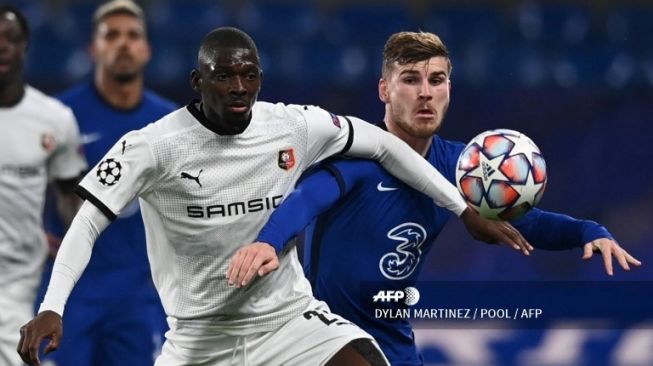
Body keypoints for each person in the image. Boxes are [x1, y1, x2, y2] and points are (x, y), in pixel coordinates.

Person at [17, 27, 531, 366]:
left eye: (249, 74)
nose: (239, 86)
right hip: (199, 337)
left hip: (287, 320)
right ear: (199, 82)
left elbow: (385, 148)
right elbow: (86, 222)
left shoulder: (292, 125)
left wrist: (461, 207)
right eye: (225, 76)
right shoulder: (152, 146)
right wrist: (52, 306)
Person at [233, 31, 643, 365]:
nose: (425, 93)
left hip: (394, 343)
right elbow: (307, 198)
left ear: (450, 88)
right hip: (329, 342)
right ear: (385, 90)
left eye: (436, 80)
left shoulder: (463, 166)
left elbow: (527, 222)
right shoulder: (357, 156)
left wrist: (588, 231)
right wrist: (269, 239)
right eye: (410, 79)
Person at [40, 1, 176, 365]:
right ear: (93, 48)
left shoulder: (168, 124)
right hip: (71, 292)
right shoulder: (59, 117)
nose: (123, 44)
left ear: (146, 50)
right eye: (111, 35)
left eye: (133, 36)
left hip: (139, 294)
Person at [0, 6, 86, 366]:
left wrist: (70, 241)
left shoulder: (54, 119)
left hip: (16, 285)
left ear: (25, 47)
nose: (2, 47)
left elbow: (72, 200)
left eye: (11, 39)